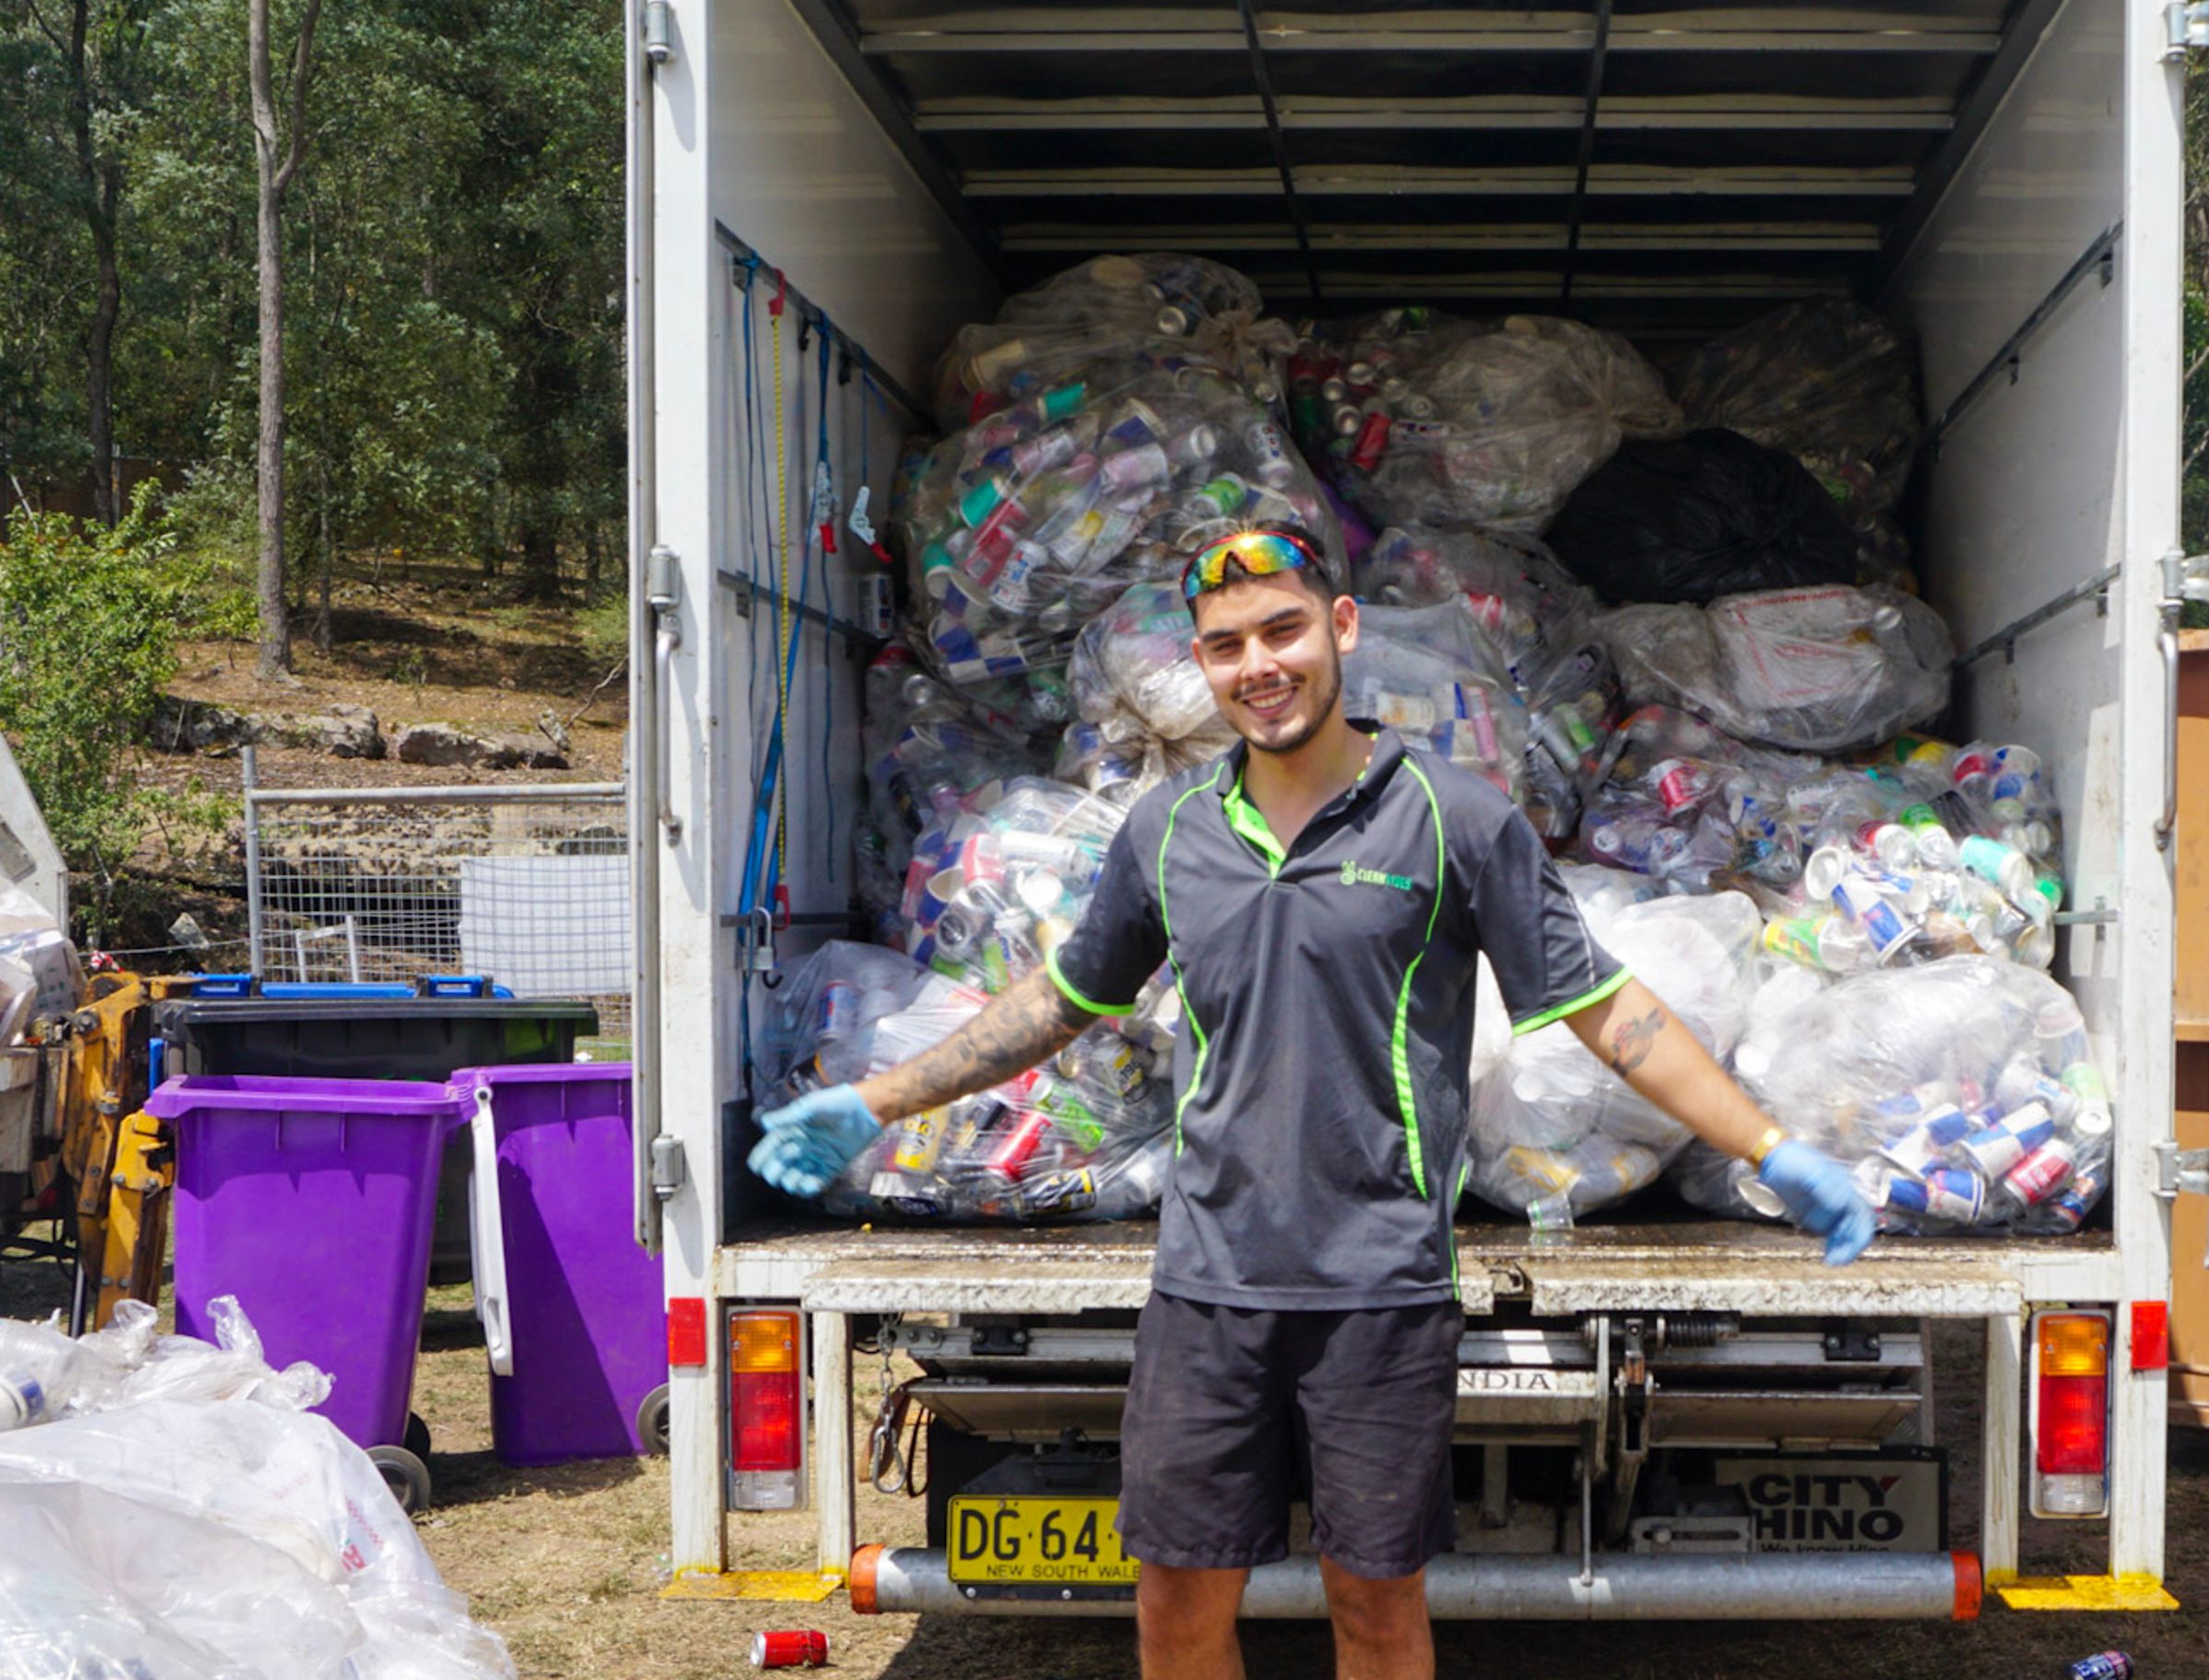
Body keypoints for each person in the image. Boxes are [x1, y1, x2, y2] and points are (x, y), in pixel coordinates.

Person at [749, 522, 1873, 1680]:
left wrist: (1770, 1145)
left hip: (1379, 1291)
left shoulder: (1450, 815)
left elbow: (1604, 1009)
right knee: (1177, 1608)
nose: (1259, 665)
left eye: (1282, 629)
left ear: (1341, 629)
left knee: (1374, 1612)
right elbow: (1064, 1000)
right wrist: (877, 1099)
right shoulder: (1169, 828)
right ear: (1204, 665)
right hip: (1206, 1286)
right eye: (1225, 646)